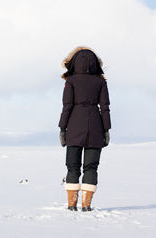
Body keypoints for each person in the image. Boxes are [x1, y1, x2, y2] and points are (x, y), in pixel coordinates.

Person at [58, 46, 111, 212]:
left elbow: (67, 106)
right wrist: (106, 129)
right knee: (91, 167)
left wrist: (62, 128)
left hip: (74, 126)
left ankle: (72, 204)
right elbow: (105, 107)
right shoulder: (100, 81)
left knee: (72, 166)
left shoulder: (71, 81)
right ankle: (86, 205)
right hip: (96, 126)